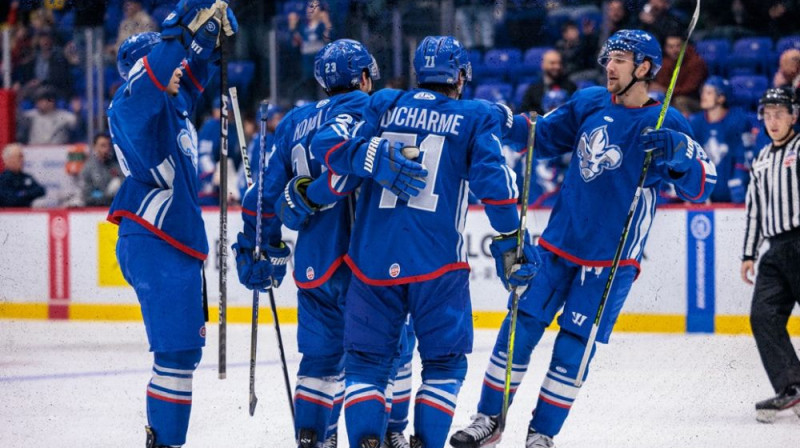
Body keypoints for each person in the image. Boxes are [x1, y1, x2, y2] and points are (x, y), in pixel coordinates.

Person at [450, 29, 716, 448]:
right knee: (517, 329)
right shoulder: (590, 101)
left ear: (644, 67)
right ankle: (489, 418)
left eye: (620, 59)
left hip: (611, 263)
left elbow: (701, 187)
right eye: (608, 58)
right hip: (557, 246)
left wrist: (681, 156)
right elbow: (540, 135)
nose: (609, 66)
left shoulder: (666, 121)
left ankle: (541, 435)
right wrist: (501, 120)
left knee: (573, 349)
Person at [304, 35, 538, 448]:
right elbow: (497, 189)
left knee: (366, 364)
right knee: (444, 363)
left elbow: (329, 145)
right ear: (461, 76)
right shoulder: (473, 115)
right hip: (438, 265)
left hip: (371, 262)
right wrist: (513, 238)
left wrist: (369, 156)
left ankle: (366, 442)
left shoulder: (385, 103)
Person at [233, 38, 380, 448]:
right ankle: (376, 438)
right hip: (361, 260)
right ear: (364, 76)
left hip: (313, 265)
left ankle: (313, 436)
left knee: (318, 361)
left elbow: (258, 198)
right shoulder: (367, 109)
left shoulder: (294, 122)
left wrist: (262, 249)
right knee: (377, 358)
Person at [104, 1, 237, 446]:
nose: (178, 68)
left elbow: (192, 70)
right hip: (156, 238)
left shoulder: (169, 105)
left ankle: (166, 440)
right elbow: (158, 66)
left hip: (171, 240)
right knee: (175, 355)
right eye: (170, 61)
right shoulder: (132, 102)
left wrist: (207, 39)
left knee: (183, 353)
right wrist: (181, 24)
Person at [740, 87, 800, 424]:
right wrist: (748, 253)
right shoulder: (761, 159)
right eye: (767, 114)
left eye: (780, 113)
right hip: (775, 251)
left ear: (794, 115)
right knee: (763, 317)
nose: (773, 120)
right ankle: (792, 386)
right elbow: (755, 211)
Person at [689, 76, 751, 203]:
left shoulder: (738, 120)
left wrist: (739, 180)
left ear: (721, 98)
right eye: (703, 92)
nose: (703, 96)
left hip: (732, 191)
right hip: (706, 194)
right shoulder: (696, 122)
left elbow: (744, 155)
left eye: (709, 92)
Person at [652, 32, 707, 116]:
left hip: (694, 100)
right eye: (670, 47)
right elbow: (660, 84)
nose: (675, 50)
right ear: (665, 48)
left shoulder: (695, 62)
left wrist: (665, 90)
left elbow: (690, 89)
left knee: (680, 101)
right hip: (671, 97)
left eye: (678, 46)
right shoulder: (665, 62)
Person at [520, 50, 576, 115]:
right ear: (543, 65)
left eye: (559, 63)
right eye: (552, 63)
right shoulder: (533, 90)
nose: (557, 67)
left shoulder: (570, 87)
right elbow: (525, 114)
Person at [81, 132, 125, 206]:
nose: (106, 149)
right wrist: (104, 196)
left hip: (114, 206)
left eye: (108, 146)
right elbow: (86, 195)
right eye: (103, 146)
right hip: (94, 208)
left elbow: (124, 184)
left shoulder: (116, 165)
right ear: (95, 147)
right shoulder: (88, 168)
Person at [0, 143, 46, 207]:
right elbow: (10, 200)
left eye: (22, 156)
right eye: (19, 156)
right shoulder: (2, 179)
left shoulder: (26, 177)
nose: (22, 160)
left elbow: (41, 190)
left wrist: (23, 194)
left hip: (28, 214)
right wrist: (27, 195)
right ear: (9, 159)